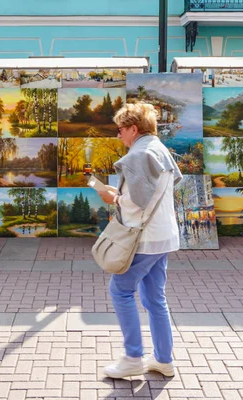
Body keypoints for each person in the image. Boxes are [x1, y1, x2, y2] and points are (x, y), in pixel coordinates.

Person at [96, 102, 183, 379]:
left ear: (134, 129)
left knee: (120, 290)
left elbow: (137, 203)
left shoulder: (138, 154)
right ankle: (163, 359)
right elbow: (168, 185)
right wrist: (122, 193)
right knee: (155, 298)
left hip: (143, 239)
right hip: (164, 236)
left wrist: (115, 198)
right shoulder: (160, 149)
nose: (118, 135)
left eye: (120, 130)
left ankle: (133, 357)